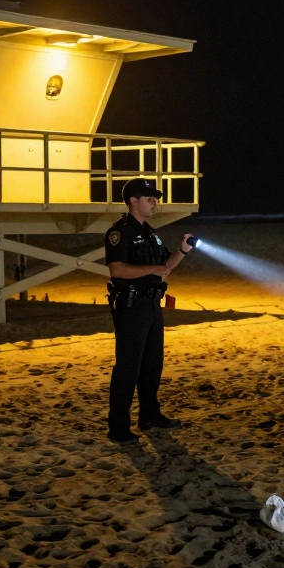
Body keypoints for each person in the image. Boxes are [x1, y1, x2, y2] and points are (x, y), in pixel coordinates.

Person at [103, 178, 195, 443]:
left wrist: (182, 251)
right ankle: (118, 428)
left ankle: (150, 416)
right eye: (150, 199)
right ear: (134, 201)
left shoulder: (151, 232)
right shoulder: (119, 232)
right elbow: (116, 269)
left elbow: (165, 266)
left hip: (151, 305)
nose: (156, 203)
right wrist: (151, 270)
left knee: (153, 364)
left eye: (156, 199)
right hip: (131, 307)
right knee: (128, 368)